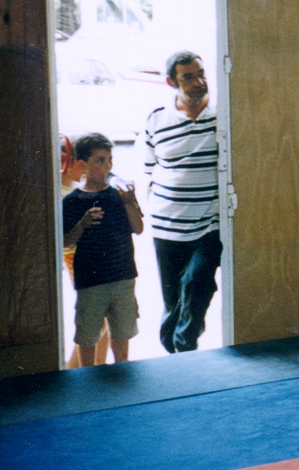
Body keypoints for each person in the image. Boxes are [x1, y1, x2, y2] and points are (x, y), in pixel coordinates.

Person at [142, 51, 222, 353]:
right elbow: (148, 168)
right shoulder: (157, 119)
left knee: (198, 283)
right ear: (171, 82)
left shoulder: (221, 115)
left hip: (209, 224)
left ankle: (184, 345)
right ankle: (171, 349)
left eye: (201, 74)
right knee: (172, 299)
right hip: (167, 227)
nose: (198, 82)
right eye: (188, 76)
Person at [62, 133, 144, 365]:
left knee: (123, 335)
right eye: (99, 160)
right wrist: (82, 224)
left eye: (109, 159)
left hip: (123, 276)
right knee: (87, 336)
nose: (107, 165)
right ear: (82, 165)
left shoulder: (119, 195)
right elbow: (66, 242)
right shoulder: (72, 201)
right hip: (91, 279)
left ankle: (121, 375)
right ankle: (86, 380)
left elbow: (138, 229)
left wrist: (129, 202)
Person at [60, 134, 110, 367]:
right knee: (95, 319)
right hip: (78, 257)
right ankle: (76, 372)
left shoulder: (70, 188)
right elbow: (67, 242)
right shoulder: (61, 194)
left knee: (104, 318)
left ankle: (96, 371)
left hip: (95, 257)